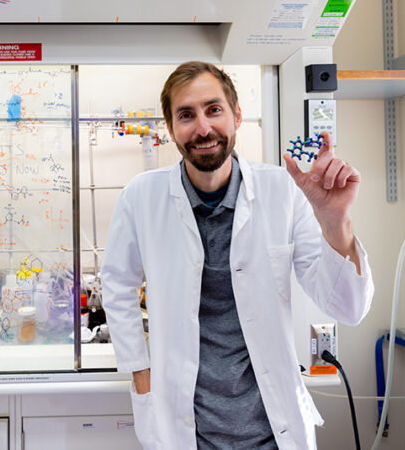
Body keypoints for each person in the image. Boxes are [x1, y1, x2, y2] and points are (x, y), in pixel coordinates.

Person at [101, 62, 373, 450]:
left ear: (237, 115)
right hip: (186, 430)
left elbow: (348, 309)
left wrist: (337, 222)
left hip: (272, 431)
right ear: (171, 128)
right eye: (186, 115)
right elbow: (116, 286)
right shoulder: (141, 196)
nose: (203, 128)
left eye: (214, 109)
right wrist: (140, 374)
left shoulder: (283, 190)